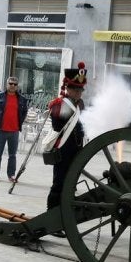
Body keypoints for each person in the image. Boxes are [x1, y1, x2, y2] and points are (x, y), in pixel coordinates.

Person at [46, 61, 87, 210]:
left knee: (71, 183)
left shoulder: (79, 105)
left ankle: (65, 211)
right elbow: (57, 126)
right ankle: (51, 213)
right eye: (75, 89)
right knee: (59, 183)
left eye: (80, 90)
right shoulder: (59, 104)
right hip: (63, 149)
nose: (78, 93)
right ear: (67, 88)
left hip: (76, 149)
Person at [0, 77, 28, 182]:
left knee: (12, 155)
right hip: (1, 130)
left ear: (17, 86)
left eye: (15, 84)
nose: (13, 86)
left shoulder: (22, 99)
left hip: (14, 131)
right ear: (6, 84)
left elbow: (24, 113)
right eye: (11, 83)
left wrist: (19, 123)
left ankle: (11, 175)